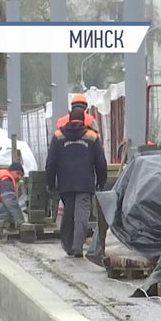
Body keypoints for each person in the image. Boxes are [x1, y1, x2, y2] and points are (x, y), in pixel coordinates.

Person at [46, 103, 108, 258]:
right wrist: (101, 181)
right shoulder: (92, 136)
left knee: (68, 213)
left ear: (69, 119)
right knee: (82, 215)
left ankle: (68, 245)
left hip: (65, 183)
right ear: (83, 119)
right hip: (85, 183)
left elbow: (51, 162)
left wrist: (50, 183)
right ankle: (78, 246)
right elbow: (100, 162)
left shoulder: (58, 136)